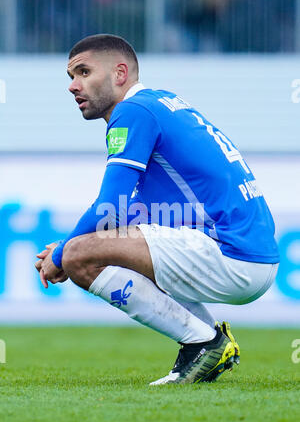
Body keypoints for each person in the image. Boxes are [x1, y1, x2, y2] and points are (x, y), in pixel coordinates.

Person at [35, 34, 279, 385]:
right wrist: (67, 246)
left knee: (79, 257)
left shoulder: (133, 111)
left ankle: (205, 342)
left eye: (84, 72)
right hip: (254, 256)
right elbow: (136, 211)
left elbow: (111, 208)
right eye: (71, 77)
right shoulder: (162, 102)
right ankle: (207, 339)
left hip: (231, 254)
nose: (73, 86)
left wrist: (63, 253)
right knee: (90, 248)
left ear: (120, 73)